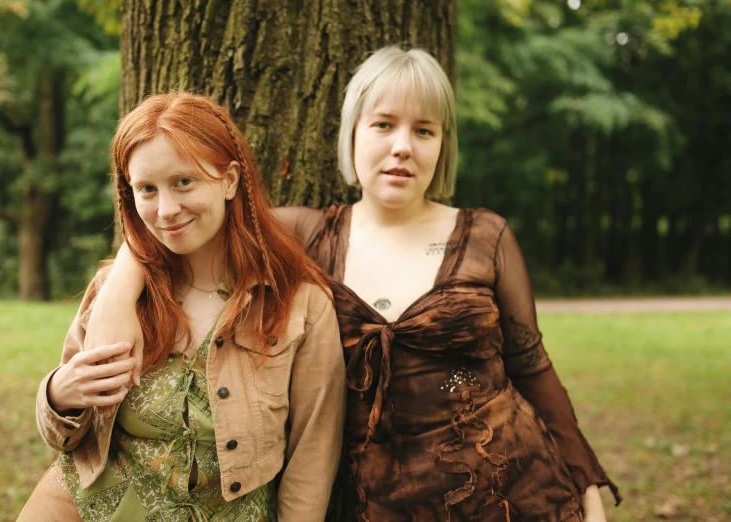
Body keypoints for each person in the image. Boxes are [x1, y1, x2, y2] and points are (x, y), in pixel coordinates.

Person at [84, 48, 620, 521]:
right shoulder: (303, 235)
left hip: (509, 492)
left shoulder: (486, 235)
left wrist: (587, 480)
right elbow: (180, 222)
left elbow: (532, 367)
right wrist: (116, 294)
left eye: (424, 130)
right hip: (369, 502)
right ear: (353, 133)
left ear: (442, 145)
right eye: (383, 124)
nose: (403, 146)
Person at [17, 93, 346, 522]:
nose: (166, 210)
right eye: (147, 189)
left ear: (229, 180)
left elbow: (312, 456)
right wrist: (60, 393)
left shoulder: (300, 307)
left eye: (184, 182)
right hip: (83, 508)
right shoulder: (114, 291)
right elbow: (64, 439)